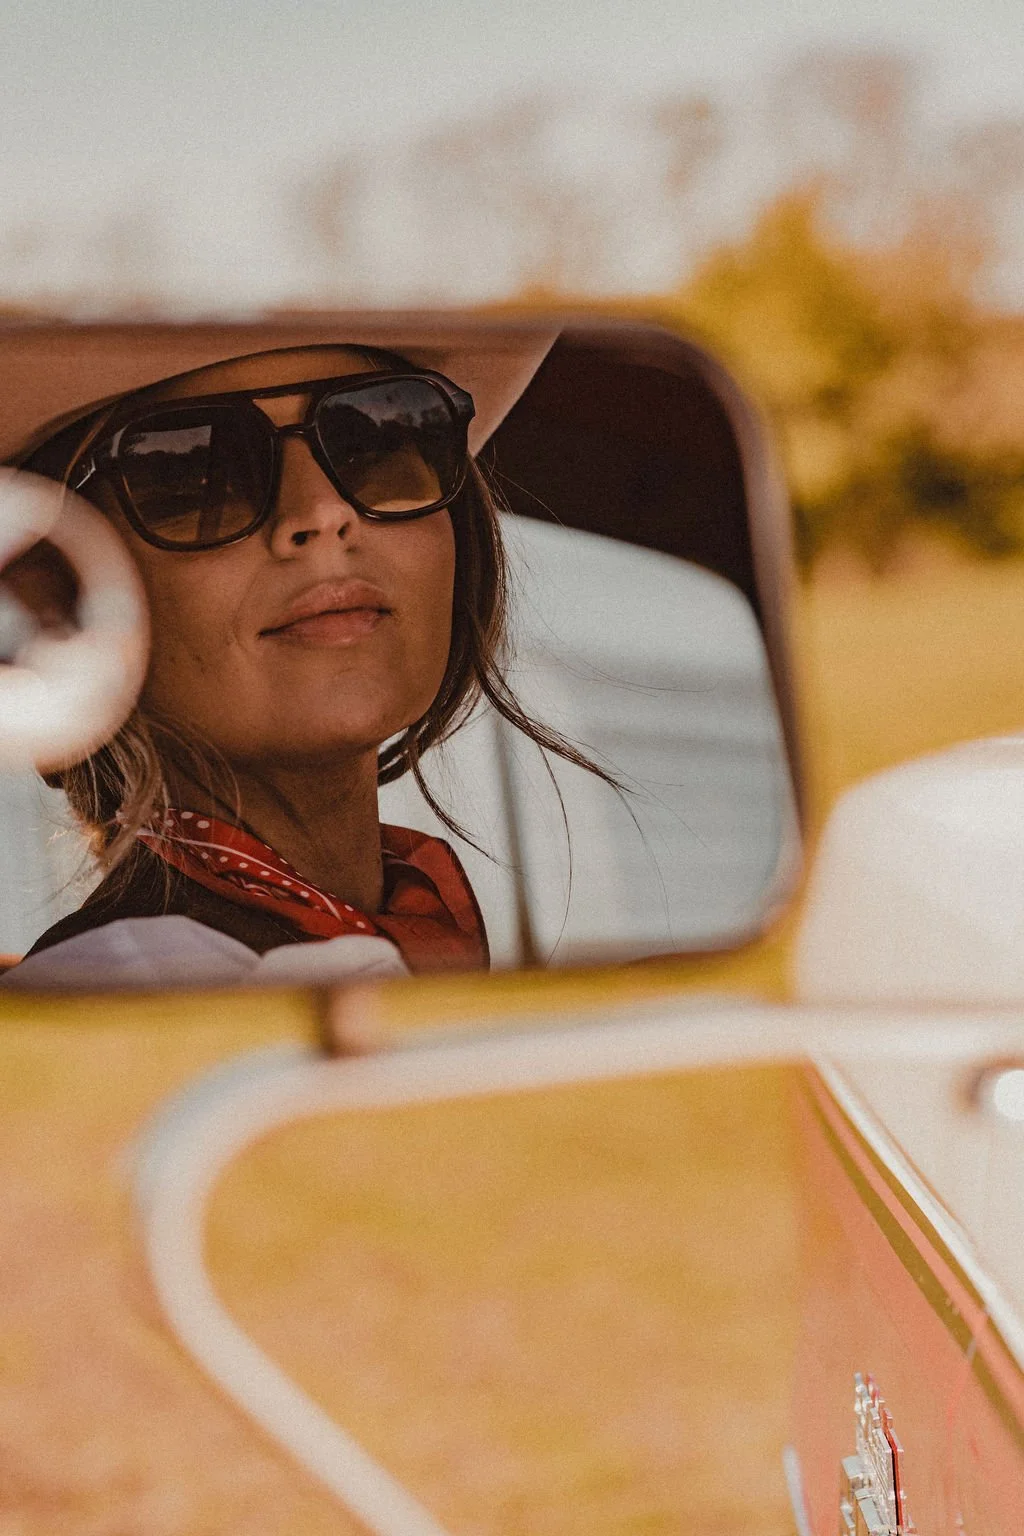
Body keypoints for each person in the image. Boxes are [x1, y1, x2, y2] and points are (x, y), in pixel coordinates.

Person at [0, 326, 609, 989]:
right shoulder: (118, 995)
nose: (322, 510)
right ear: (59, 590)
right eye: (194, 470)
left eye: (376, 441)